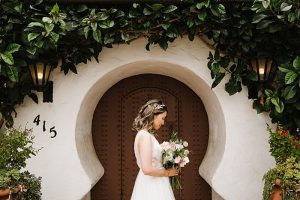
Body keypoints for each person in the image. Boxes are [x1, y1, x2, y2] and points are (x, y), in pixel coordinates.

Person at [131, 99, 179, 200]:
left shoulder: (146, 135)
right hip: (152, 186)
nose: (163, 122)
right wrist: (168, 172)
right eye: (162, 118)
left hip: (156, 182)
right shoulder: (145, 136)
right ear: (154, 115)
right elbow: (147, 169)